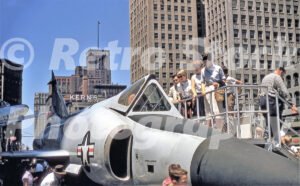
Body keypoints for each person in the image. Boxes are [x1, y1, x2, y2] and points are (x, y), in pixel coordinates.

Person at [260, 67, 298, 142]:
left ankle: (267, 135)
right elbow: (284, 91)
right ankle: (274, 139)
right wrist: (292, 105)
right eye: (283, 75)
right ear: (281, 72)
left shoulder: (266, 77)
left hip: (262, 100)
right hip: (271, 100)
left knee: (269, 118)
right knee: (276, 119)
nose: (282, 77)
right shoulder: (277, 77)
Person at [200, 53, 226, 129]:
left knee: (217, 110)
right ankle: (209, 129)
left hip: (216, 90)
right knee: (208, 110)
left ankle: (220, 129)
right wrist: (203, 90)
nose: (205, 63)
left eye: (206, 61)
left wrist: (218, 83)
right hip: (207, 89)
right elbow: (202, 82)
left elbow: (224, 80)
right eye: (204, 61)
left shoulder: (218, 68)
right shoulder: (203, 71)